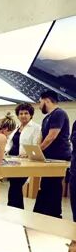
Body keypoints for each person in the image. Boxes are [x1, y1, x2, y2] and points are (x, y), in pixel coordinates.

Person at [34, 90, 72, 218]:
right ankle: (43, 212)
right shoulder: (47, 118)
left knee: (54, 184)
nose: (39, 106)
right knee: (46, 184)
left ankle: (54, 214)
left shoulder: (59, 113)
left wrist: (39, 149)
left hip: (59, 156)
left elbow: (52, 136)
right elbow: (43, 136)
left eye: (40, 102)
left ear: (46, 100)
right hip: (49, 157)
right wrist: (36, 150)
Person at [6, 103, 42, 209]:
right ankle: (13, 209)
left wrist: (28, 154)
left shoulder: (36, 128)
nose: (23, 115)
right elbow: (10, 142)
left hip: (25, 162)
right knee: (14, 185)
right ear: (17, 115)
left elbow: (36, 145)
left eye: (26, 113)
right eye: (21, 113)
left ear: (31, 115)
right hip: (12, 160)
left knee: (16, 185)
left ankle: (14, 209)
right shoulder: (16, 127)